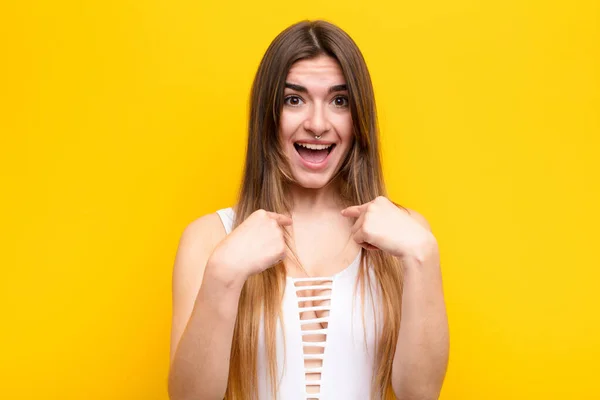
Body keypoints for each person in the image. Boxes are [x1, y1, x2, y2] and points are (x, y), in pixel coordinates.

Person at [167, 20, 449, 400]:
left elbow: (420, 394)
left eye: (339, 101)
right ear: (268, 115)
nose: (317, 124)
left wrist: (422, 255)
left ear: (358, 117)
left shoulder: (405, 235)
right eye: (294, 99)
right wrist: (224, 274)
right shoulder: (209, 238)